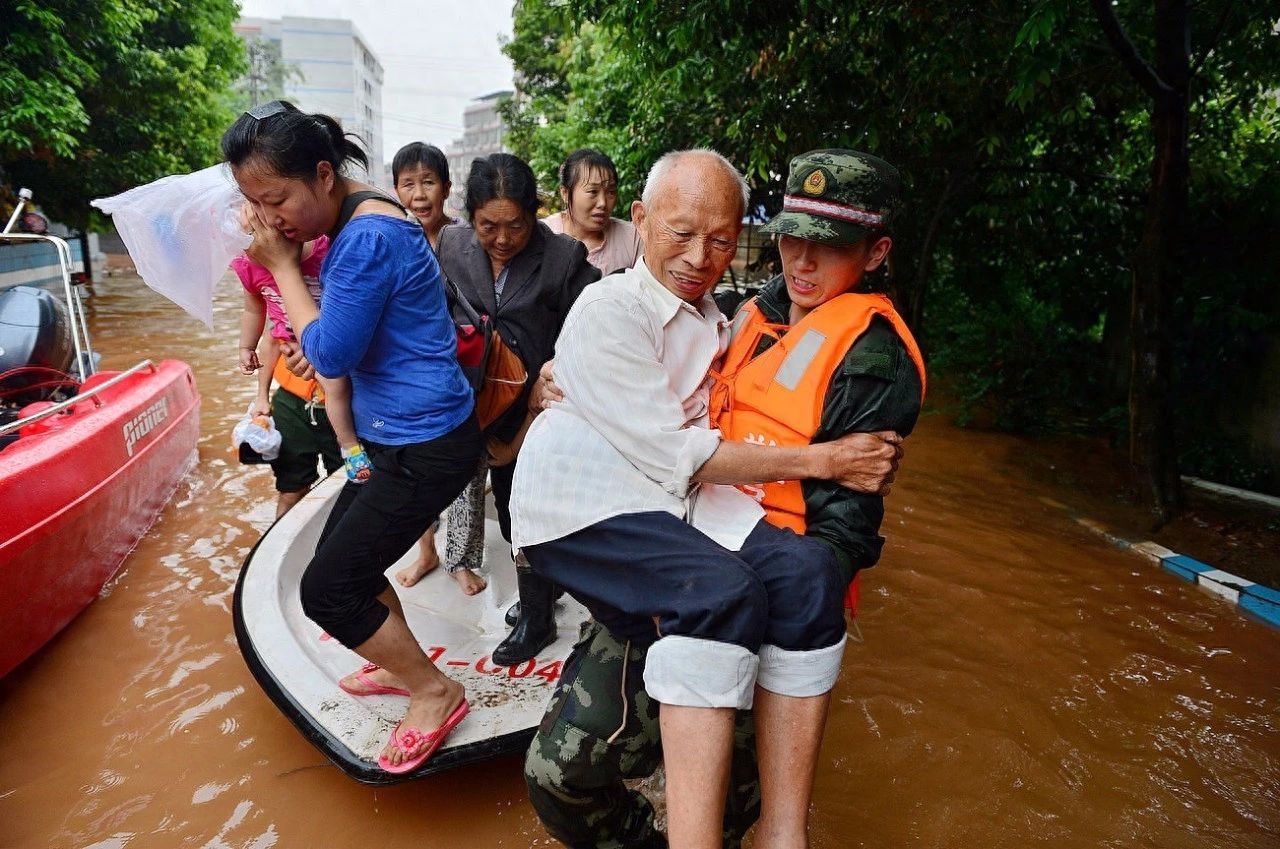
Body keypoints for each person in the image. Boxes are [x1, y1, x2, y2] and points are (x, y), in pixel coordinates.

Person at [522, 149, 926, 848]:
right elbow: (663, 424)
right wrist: (558, 377)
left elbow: (846, 528)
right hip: (667, 541)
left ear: (875, 252)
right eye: (792, 238)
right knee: (563, 772)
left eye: (831, 248)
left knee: (734, 785)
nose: (803, 262)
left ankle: (772, 832)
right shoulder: (741, 310)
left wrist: (789, 589)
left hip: (752, 576)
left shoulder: (870, 359)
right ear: (643, 222)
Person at [222, 100, 483, 775]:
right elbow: (341, 335)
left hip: (426, 444)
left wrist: (282, 268)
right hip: (400, 434)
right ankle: (407, 667)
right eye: (254, 203)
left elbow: (333, 352)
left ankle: (435, 691)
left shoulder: (367, 238)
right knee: (350, 564)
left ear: (322, 175)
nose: (270, 219)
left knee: (327, 590)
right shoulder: (354, 220)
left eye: (275, 199)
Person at [430, 152, 600, 665]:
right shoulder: (451, 246)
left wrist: (547, 377)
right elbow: (434, 314)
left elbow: (589, 333)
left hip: (538, 409)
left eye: (515, 226)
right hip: (469, 402)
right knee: (499, 512)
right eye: (488, 226)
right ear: (470, 216)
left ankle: (537, 619)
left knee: (523, 507)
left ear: (535, 213)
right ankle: (543, 592)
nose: (502, 239)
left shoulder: (565, 260)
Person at [386, 141, 487, 596]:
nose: (419, 194)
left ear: (447, 187)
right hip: (410, 378)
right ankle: (425, 549)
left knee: (468, 468)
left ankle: (460, 558)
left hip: (464, 375)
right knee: (413, 469)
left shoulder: (467, 239)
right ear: (395, 190)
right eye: (409, 184)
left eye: (428, 182)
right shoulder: (390, 238)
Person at [234, 236, 373, 488]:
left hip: (322, 336)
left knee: (335, 384)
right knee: (273, 339)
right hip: (286, 339)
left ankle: (349, 446)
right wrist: (246, 347)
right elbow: (254, 310)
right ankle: (350, 447)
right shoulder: (246, 266)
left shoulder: (323, 249)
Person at [543, 148, 643, 275]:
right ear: (565, 193)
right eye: (593, 192)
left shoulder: (633, 239)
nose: (603, 203)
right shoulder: (543, 235)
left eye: (611, 192)